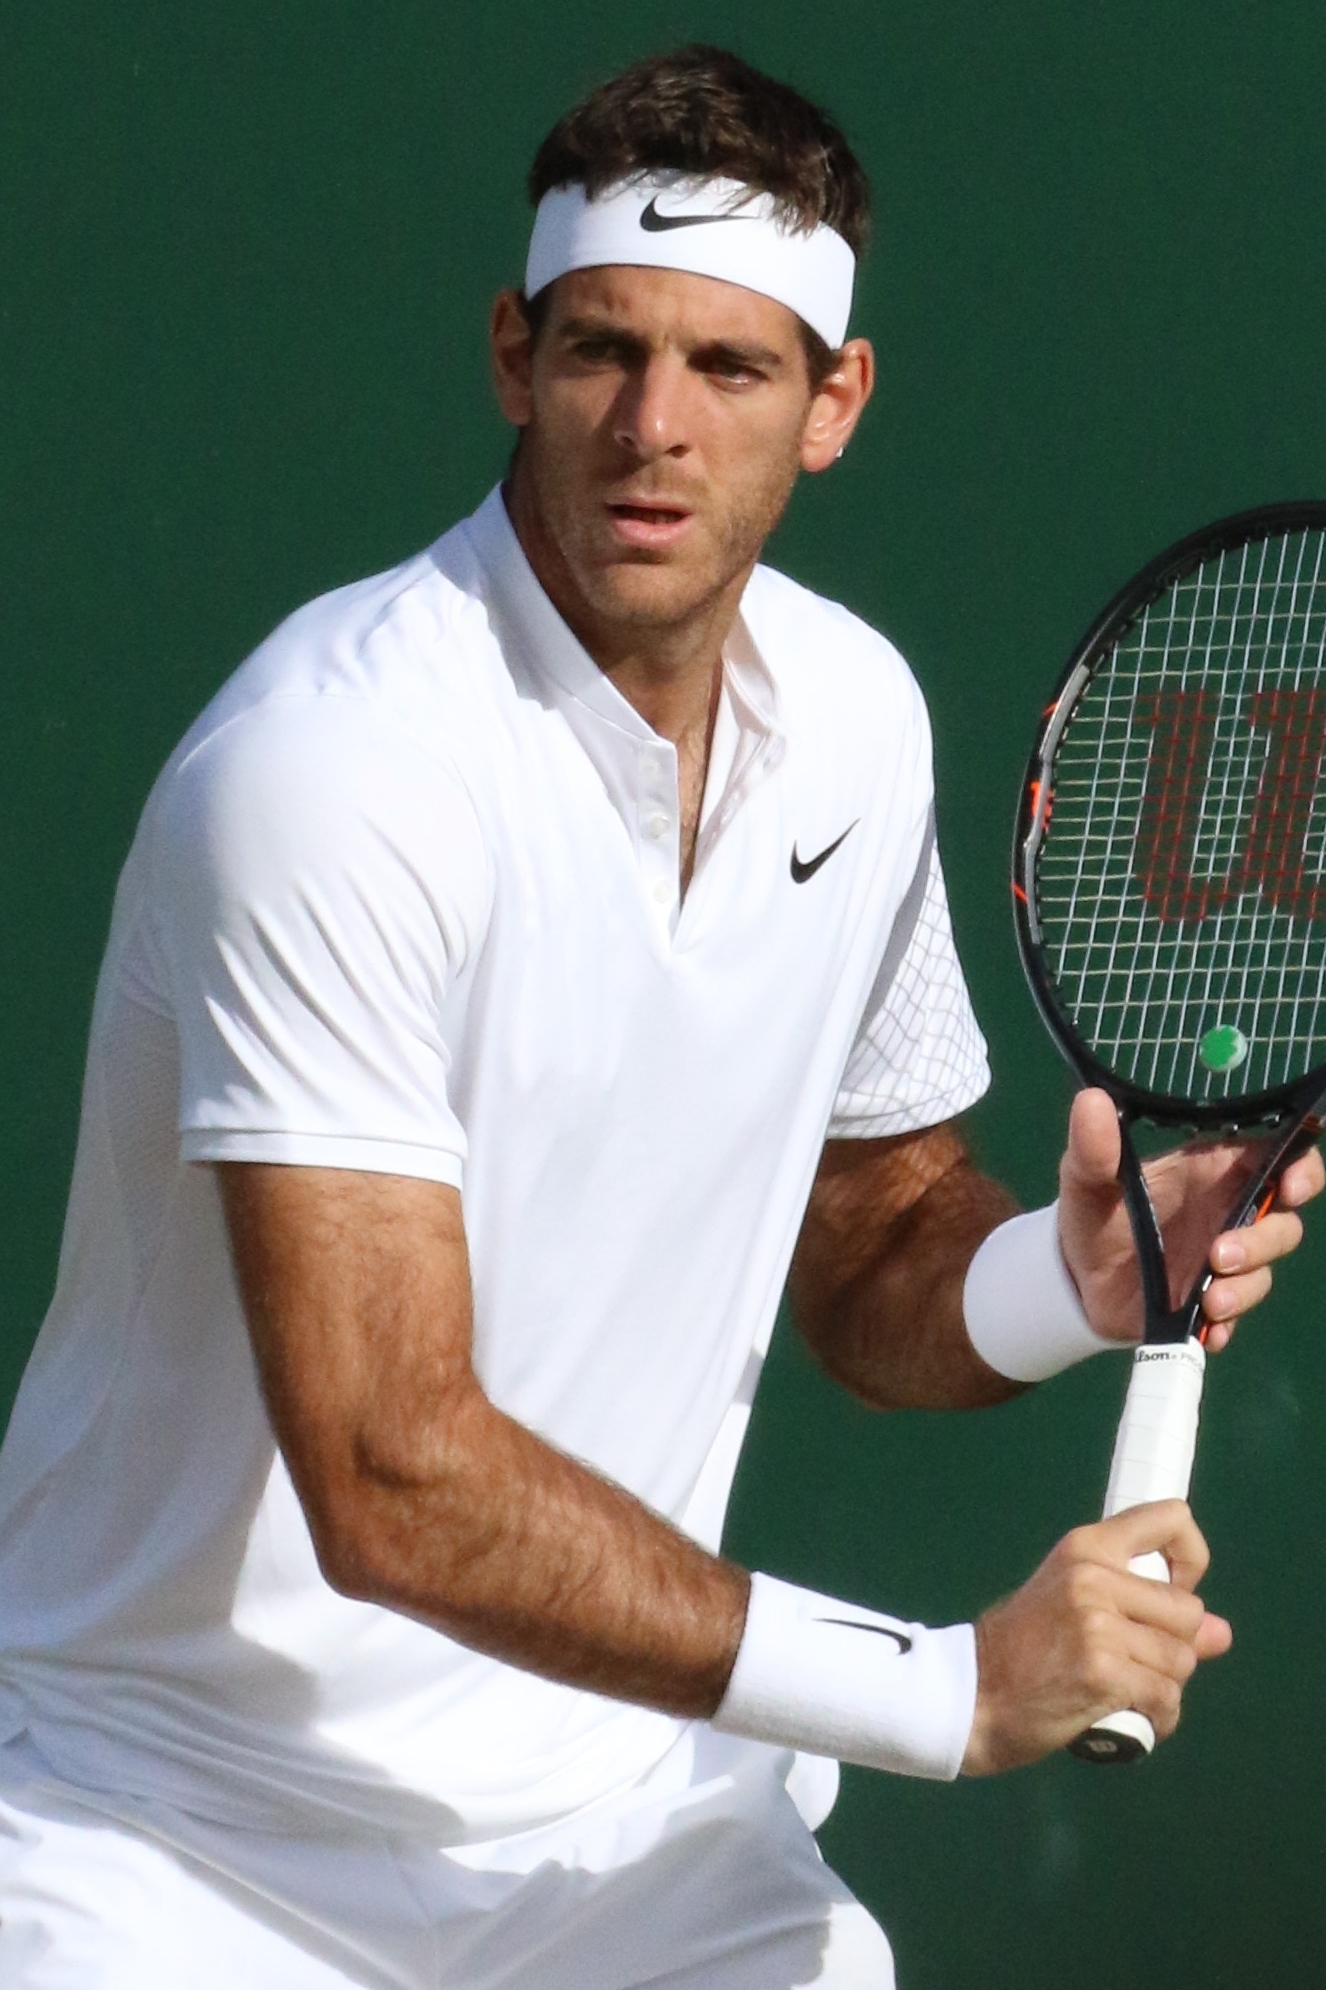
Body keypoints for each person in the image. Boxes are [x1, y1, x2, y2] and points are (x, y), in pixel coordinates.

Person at [0, 44, 1318, 1990]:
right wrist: (943, 1687)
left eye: (731, 366)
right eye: (603, 350)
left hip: (631, 1841)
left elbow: (869, 1247)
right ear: (512, 354)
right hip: (174, 1838)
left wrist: (1073, 1274)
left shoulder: (856, 721)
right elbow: (385, 1470)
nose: (653, 427)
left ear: (834, 401)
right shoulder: (331, 772)